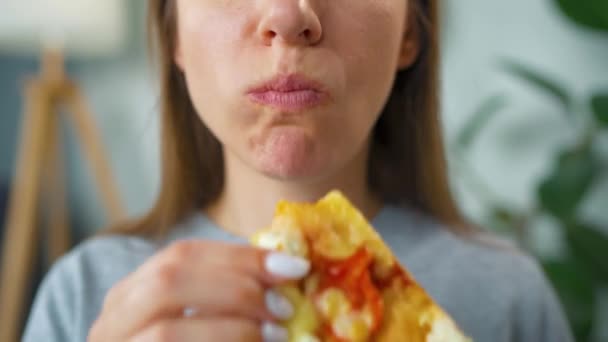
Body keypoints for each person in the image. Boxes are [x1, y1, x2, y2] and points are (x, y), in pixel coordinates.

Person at [23, 0, 574, 341]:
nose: (289, 16)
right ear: (174, 35)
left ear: (411, 30)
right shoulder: (84, 296)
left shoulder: (510, 302)